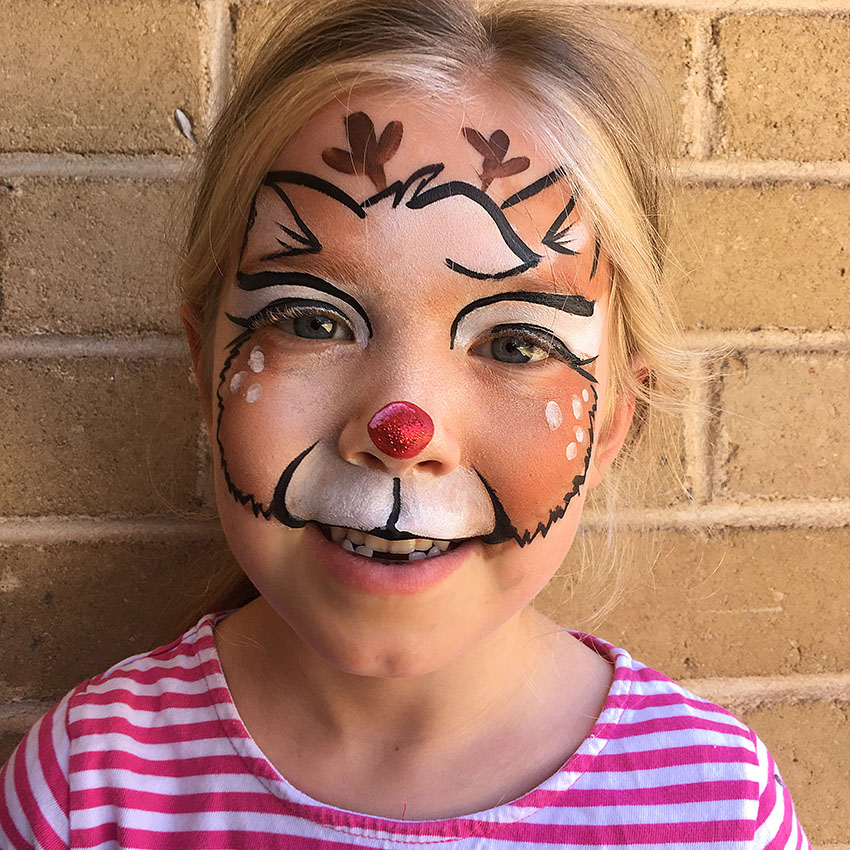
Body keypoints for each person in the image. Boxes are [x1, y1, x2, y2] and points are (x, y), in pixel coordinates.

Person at [0, 0, 809, 846]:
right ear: (207, 375)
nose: (401, 432)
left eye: (516, 343)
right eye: (312, 322)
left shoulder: (718, 811)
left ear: (613, 423)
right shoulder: (86, 789)